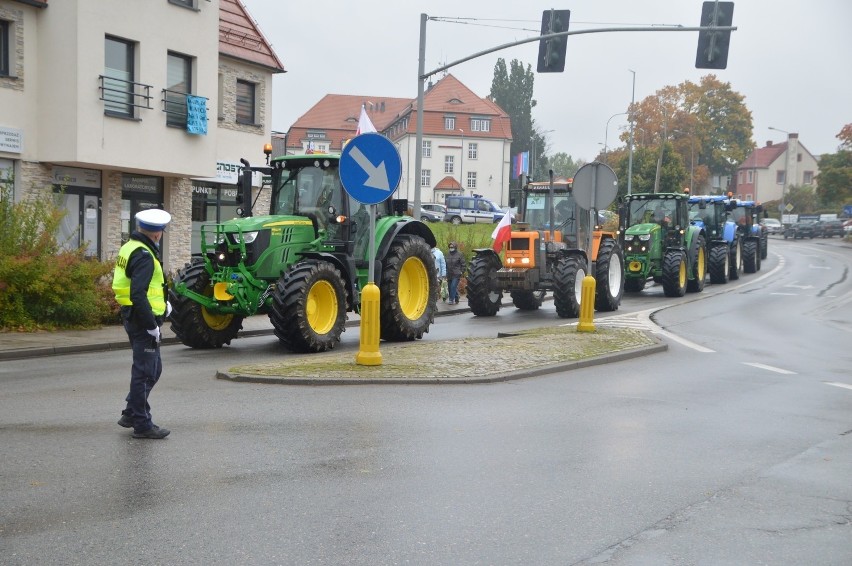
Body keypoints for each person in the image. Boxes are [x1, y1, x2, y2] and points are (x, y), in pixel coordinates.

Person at [112, 208, 172, 439]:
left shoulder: (130, 247)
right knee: (145, 373)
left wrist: (164, 304)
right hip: (142, 319)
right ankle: (142, 424)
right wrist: (151, 325)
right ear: (157, 234)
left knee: (152, 369)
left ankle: (130, 412)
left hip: (134, 315)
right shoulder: (144, 255)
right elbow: (138, 293)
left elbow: (139, 288)